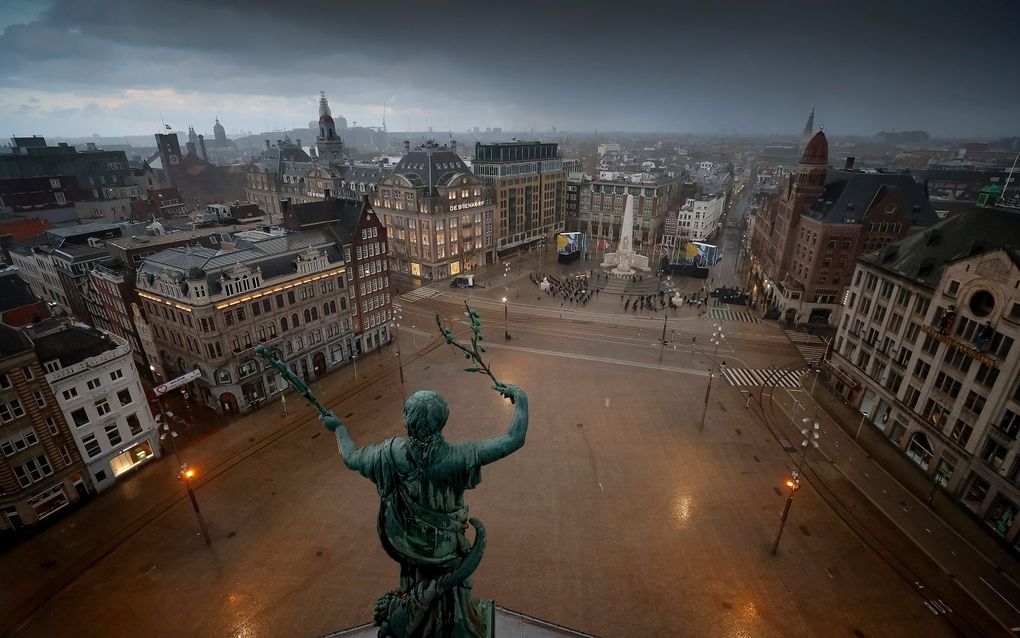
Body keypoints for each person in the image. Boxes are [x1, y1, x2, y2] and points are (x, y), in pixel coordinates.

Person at [322, 385, 528, 636]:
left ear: (407, 420)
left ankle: (416, 627)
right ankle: (453, 625)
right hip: (446, 550)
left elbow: (351, 457)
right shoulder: (458, 458)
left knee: (416, 584)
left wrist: (339, 429)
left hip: (409, 546)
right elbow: (514, 439)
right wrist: (522, 400)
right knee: (449, 589)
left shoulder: (387, 454)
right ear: (443, 421)